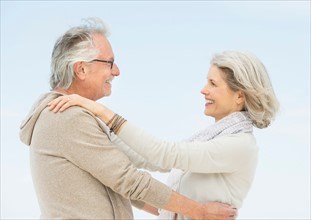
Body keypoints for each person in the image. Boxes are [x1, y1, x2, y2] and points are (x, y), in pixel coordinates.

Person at [19, 17, 237, 219]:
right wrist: (199, 211)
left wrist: (177, 213)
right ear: (82, 69)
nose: (116, 71)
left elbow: (122, 185)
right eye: (109, 62)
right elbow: (128, 181)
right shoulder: (67, 117)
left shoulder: (70, 116)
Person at [48, 50, 279, 219]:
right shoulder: (210, 139)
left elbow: (162, 154)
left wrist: (98, 109)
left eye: (213, 83)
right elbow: (145, 158)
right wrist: (97, 126)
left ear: (240, 96)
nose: (203, 89)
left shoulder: (239, 145)